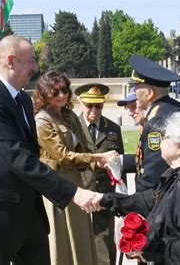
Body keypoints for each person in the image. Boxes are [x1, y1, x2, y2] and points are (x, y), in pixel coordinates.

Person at [0, 35, 105, 265]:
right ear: (11, 61)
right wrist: (73, 192)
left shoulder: (23, 101)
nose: (36, 68)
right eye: (32, 61)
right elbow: (18, 158)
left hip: (29, 216)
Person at [94, 112, 180, 264]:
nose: (161, 141)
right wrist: (104, 200)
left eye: (166, 137)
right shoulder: (178, 175)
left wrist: (149, 252)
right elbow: (150, 200)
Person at [33, 72, 118, 265]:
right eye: (56, 92)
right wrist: (98, 157)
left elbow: (83, 150)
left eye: (64, 90)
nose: (62, 95)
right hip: (56, 185)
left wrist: (102, 164)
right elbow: (63, 157)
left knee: (81, 239)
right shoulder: (42, 120)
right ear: (44, 93)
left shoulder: (69, 115)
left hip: (76, 183)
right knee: (61, 242)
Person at [74, 83, 125, 265]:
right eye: (90, 106)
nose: (94, 110)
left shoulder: (113, 129)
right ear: (81, 104)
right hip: (79, 193)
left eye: (99, 106)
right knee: (79, 242)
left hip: (105, 194)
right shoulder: (72, 128)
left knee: (104, 242)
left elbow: (120, 167)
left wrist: (121, 199)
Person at [124, 54, 180, 192]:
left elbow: (153, 175)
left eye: (136, 86)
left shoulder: (157, 121)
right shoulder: (174, 107)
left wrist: (138, 205)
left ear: (149, 93)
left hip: (160, 201)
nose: (134, 92)